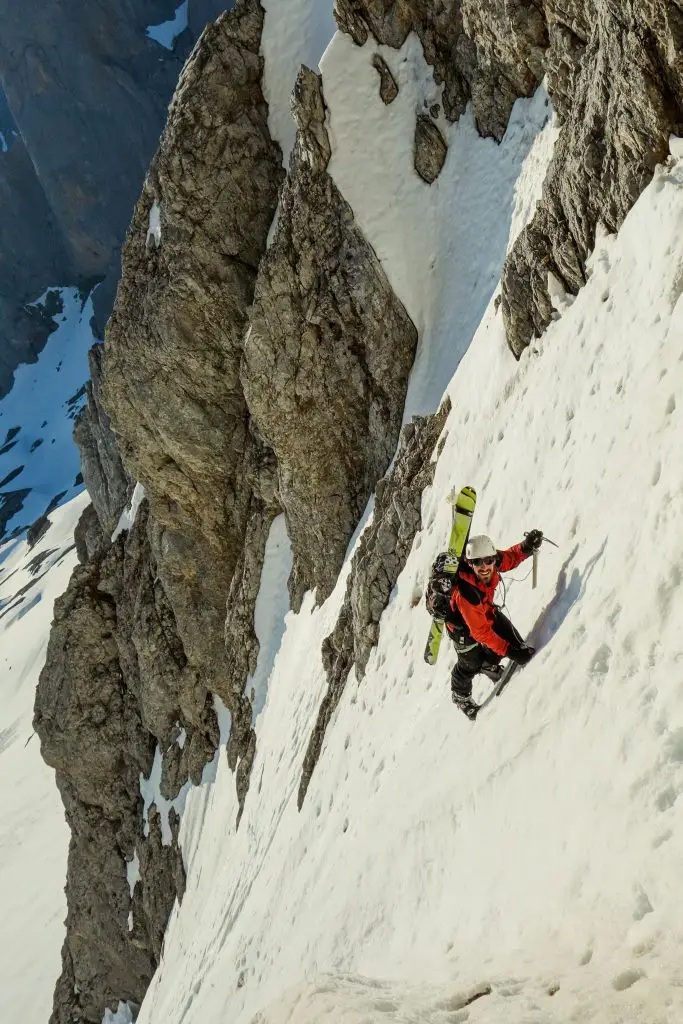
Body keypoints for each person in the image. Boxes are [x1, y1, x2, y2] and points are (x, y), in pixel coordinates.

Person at [444, 530, 543, 719]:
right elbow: (481, 632)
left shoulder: (493, 562)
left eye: (488, 560)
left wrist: (527, 546)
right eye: (478, 562)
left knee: (512, 645)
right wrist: (511, 652)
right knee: (470, 663)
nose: (484, 567)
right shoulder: (467, 592)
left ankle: (488, 665)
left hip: (485, 613)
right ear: (470, 563)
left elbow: (510, 557)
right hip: (462, 629)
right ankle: (460, 695)